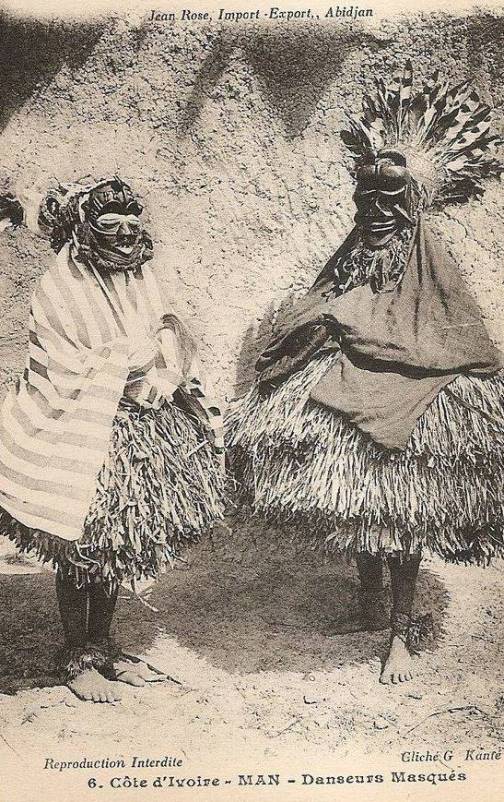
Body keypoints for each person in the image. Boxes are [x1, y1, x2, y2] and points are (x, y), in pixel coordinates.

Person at [228, 63, 504, 684]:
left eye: (390, 201)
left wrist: (353, 320)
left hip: (412, 391)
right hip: (348, 381)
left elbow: (452, 336)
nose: (376, 212)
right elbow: (321, 302)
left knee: (399, 511)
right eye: (366, 199)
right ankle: (368, 601)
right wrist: (315, 323)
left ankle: (400, 633)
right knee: (359, 501)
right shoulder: (355, 251)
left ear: (412, 204)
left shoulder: (429, 258)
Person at [0, 177, 226, 703]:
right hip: (81, 426)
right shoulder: (60, 286)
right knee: (80, 542)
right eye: (110, 224)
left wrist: (163, 361)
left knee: (115, 545)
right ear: (86, 229)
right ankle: (76, 655)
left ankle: (102, 645)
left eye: (132, 223)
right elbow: (59, 358)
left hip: (140, 426)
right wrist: (125, 362)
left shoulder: (140, 277)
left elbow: (164, 327)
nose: (125, 234)